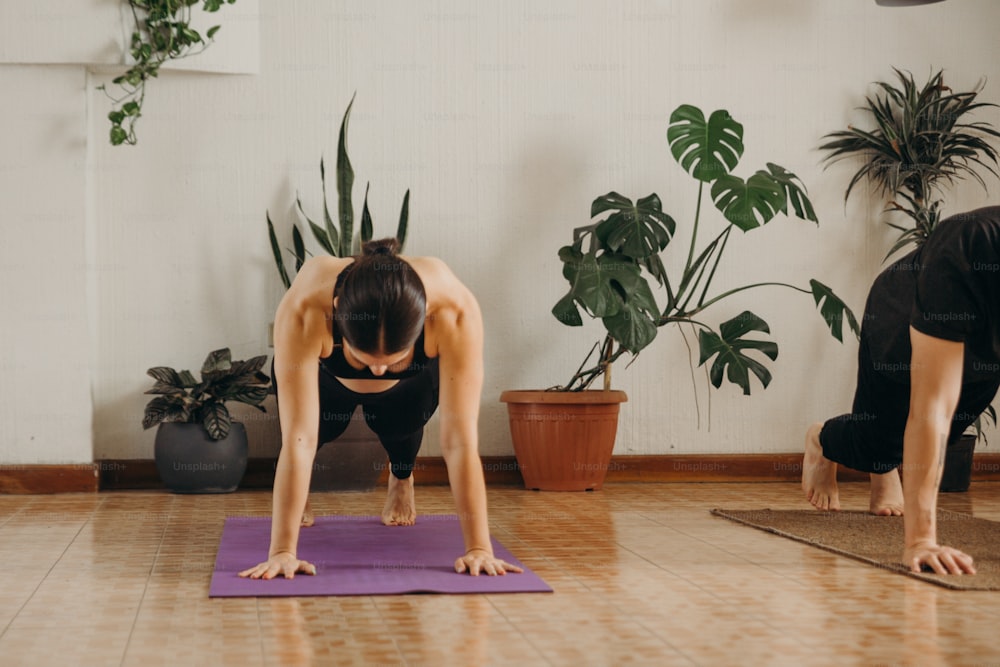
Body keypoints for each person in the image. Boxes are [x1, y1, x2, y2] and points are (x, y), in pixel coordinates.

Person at [239, 238, 523, 579]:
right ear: (338, 311)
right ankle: (301, 498)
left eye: (392, 360)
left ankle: (401, 479)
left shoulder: (453, 312)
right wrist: (282, 552)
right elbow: (299, 437)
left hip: (409, 386)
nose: (376, 370)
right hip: (326, 376)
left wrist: (479, 549)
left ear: (423, 325)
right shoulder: (306, 309)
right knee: (318, 431)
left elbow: (460, 442)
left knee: (402, 428)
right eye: (363, 359)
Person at [802, 205, 1000, 576]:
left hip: (985, 351)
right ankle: (822, 439)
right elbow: (931, 408)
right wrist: (920, 541)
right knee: (878, 442)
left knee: (949, 435)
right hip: (902, 319)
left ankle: (885, 468)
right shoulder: (967, 246)